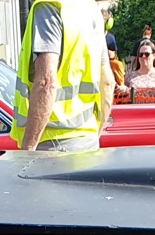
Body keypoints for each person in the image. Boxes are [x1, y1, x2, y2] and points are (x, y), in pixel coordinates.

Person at [11, 0, 113, 152]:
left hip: (52, 144)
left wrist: (27, 149)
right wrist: (94, 135)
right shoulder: (91, 10)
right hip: (88, 143)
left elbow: (46, 83)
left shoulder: (48, 8)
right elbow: (107, 83)